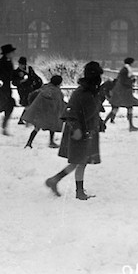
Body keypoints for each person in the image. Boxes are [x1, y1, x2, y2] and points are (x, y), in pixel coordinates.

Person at [45, 62, 105, 200]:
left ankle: (56, 181)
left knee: (79, 161)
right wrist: (77, 129)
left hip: (87, 130)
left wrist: (99, 122)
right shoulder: (81, 92)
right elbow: (71, 112)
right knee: (79, 161)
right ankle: (76, 190)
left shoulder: (92, 91)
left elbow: (93, 109)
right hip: (79, 132)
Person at [23, 75, 65, 149]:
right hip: (50, 113)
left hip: (41, 112)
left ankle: (29, 142)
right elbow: (59, 103)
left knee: (37, 128)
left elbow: (33, 96)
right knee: (52, 127)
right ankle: (51, 142)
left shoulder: (44, 88)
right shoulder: (56, 92)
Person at [105, 57, 138, 131]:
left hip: (120, 92)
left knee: (115, 108)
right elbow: (124, 81)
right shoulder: (126, 70)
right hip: (124, 92)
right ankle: (131, 126)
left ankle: (103, 123)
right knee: (129, 107)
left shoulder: (124, 70)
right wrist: (132, 81)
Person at [13, 57, 43, 123]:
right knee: (28, 104)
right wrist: (21, 81)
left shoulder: (29, 69)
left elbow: (35, 77)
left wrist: (39, 83)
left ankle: (25, 118)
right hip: (23, 90)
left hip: (31, 89)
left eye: (22, 64)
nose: (21, 65)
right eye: (20, 64)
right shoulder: (16, 72)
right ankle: (25, 119)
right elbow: (14, 82)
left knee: (30, 104)